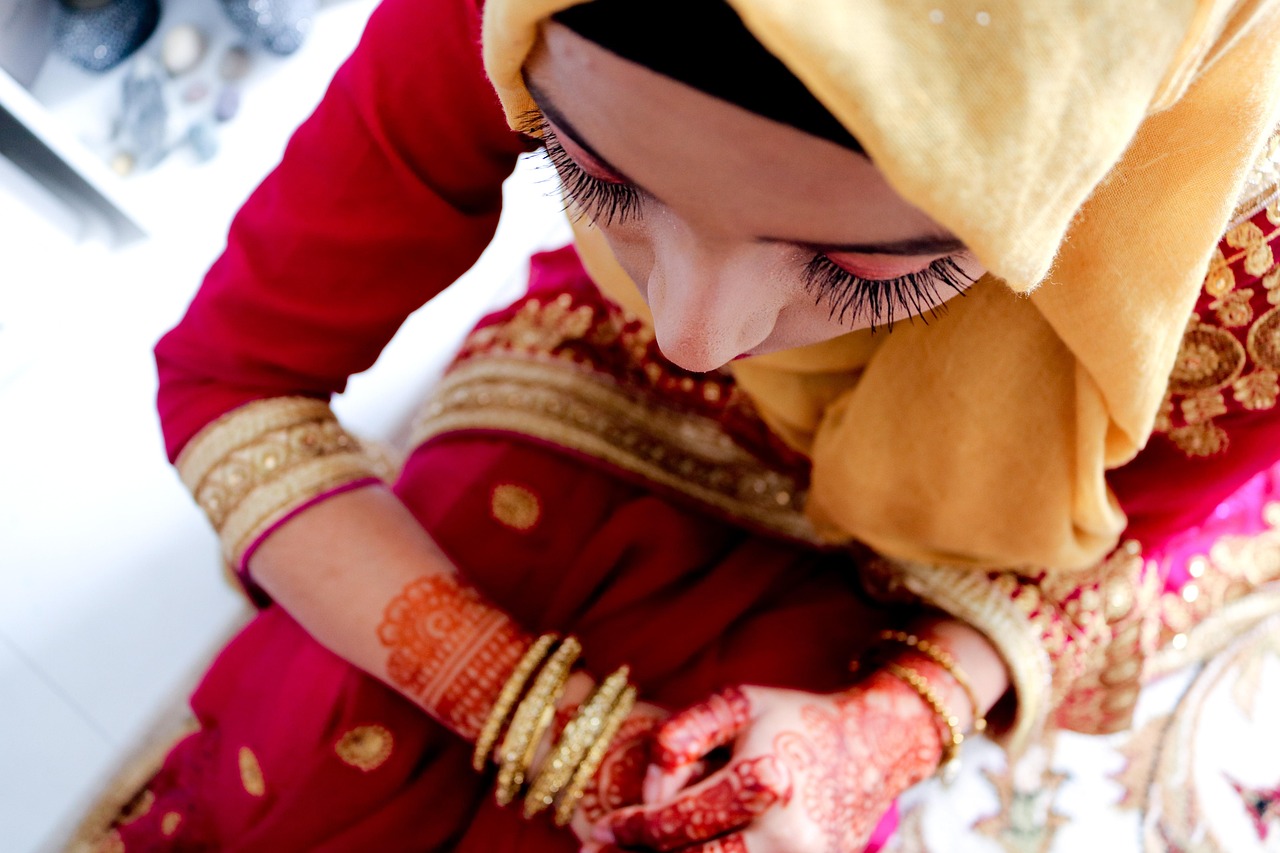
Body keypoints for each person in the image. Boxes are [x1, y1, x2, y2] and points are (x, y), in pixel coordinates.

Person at [85, 0, 1280, 850]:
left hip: (932, 563)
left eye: (865, 267)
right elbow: (234, 380)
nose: (692, 332)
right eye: (592, 177)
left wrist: (889, 723)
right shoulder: (516, 13)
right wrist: (542, 720)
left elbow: (1145, 543)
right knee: (309, 777)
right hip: (577, 390)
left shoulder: (1246, 241)